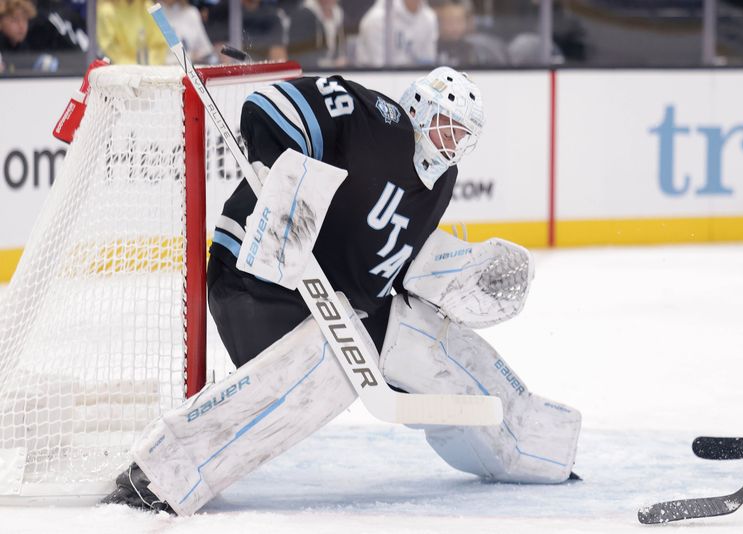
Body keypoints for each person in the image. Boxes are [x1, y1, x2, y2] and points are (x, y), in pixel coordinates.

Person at [101, 67, 581, 515]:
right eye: (445, 126)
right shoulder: (375, 119)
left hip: (335, 302)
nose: (450, 144)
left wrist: (465, 274)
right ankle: (164, 473)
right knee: (337, 361)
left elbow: (401, 259)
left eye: (461, 136)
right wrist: (281, 183)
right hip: (256, 279)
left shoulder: (442, 182)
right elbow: (269, 105)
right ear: (417, 106)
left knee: (427, 341)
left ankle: (532, 446)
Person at [354, 0, 437, 66]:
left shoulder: (429, 18)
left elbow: (428, 62)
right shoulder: (376, 19)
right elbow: (380, 68)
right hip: (374, 82)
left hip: (417, 82)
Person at [97, 0, 168, 64]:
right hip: (120, 72)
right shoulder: (107, 11)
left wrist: (149, 67)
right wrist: (134, 68)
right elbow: (110, 48)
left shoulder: (148, 5)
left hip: (150, 70)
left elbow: (159, 45)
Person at [287, 0, 347, 68]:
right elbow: (301, 56)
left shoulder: (339, 13)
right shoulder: (303, 15)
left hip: (333, 70)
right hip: (312, 72)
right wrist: (330, 64)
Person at [160, 0, 215, 64]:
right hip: (161, 70)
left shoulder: (192, 13)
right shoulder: (153, 15)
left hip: (191, 69)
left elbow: (205, 52)